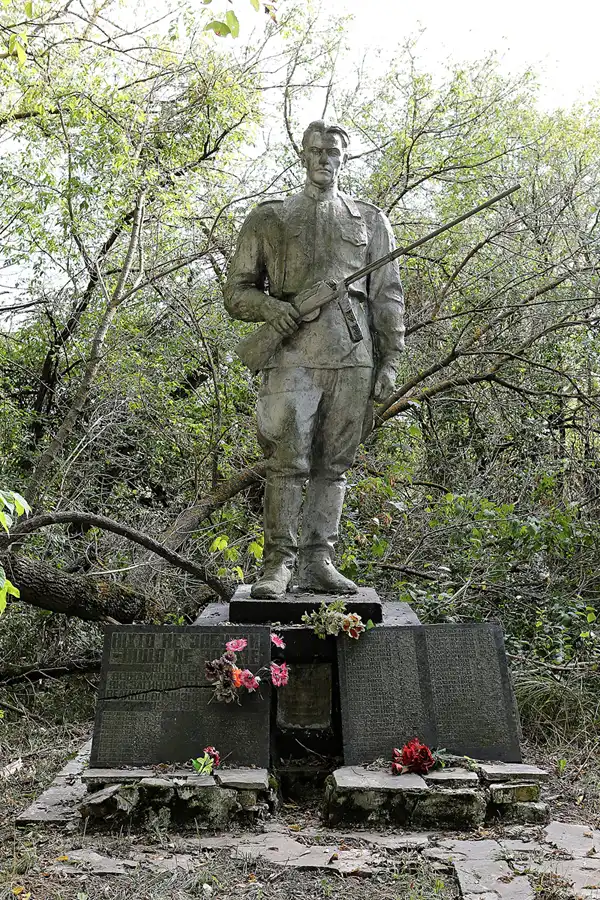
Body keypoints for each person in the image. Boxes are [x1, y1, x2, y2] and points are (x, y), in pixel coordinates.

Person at [224, 120, 405, 599]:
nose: (325, 158)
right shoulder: (271, 218)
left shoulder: (370, 220)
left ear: (344, 158)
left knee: (335, 465)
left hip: (353, 355)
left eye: (334, 152)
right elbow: (236, 293)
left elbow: (387, 297)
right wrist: (272, 308)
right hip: (290, 355)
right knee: (287, 462)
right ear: (302, 154)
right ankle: (277, 566)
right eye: (317, 150)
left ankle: (320, 561)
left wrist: (389, 360)